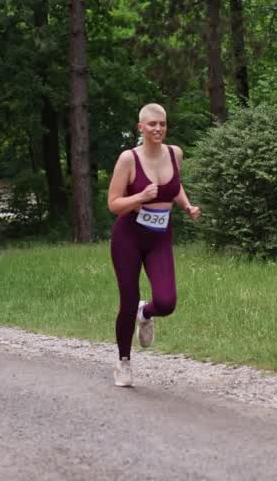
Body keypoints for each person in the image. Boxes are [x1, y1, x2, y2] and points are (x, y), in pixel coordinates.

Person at [105, 103, 201, 388]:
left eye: (162, 123)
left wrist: (186, 205)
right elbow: (113, 204)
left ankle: (145, 313)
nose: (158, 128)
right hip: (129, 237)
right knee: (127, 299)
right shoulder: (128, 159)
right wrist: (140, 198)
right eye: (152, 124)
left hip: (160, 236)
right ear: (141, 128)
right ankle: (123, 362)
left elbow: (175, 185)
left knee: (167, 302)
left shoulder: (175, 154)